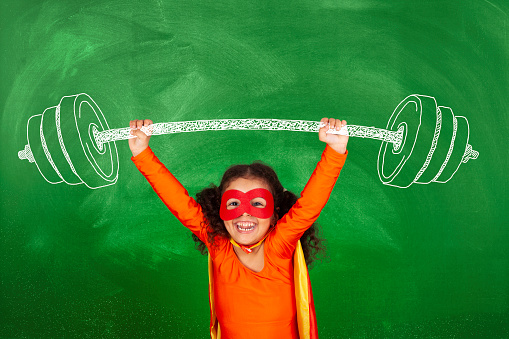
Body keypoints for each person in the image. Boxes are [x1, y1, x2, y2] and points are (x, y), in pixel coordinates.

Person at [129, 118, 349, 339]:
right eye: (233, 203)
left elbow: (309, 205)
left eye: (257, 203)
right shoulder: (219, 245)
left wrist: (335, 151)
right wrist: (142, 153)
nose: (245, 213)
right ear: (219, 211)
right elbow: (178, 202)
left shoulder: (280, 246)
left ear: (274, 215)